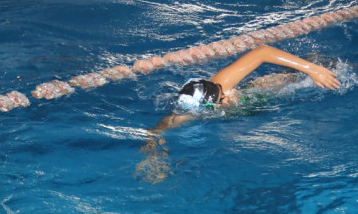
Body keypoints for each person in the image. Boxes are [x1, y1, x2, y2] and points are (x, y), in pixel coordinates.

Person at [136, 45, 339, 182]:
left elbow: (262, 51)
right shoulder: (189, 113)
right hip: (253, 115)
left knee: (329, 71)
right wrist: (155, 157)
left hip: (278, 87)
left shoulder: (221, 83)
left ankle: (318, 62)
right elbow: (156, 131)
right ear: (208, 108)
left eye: (222, 91)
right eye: (221, 99)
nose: (226, 96)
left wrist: (312, 69)